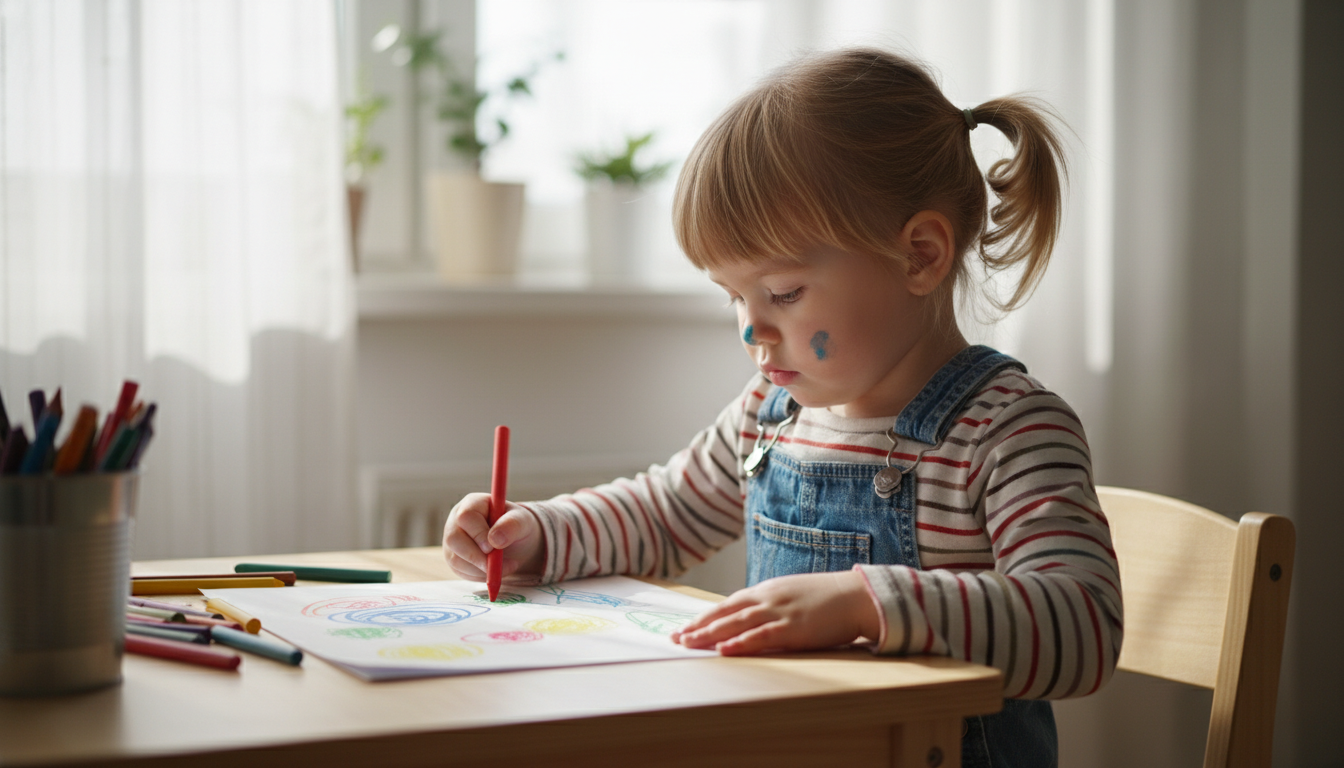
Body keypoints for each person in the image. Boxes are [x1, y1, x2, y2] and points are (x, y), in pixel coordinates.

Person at [443, 47, 1121, 767]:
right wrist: (542, 535)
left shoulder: (1007, 431)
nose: (751, 330)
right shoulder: (772, 411)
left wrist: (867, 603)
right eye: (734, 297)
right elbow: (665, 512)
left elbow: (1082, 627)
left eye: (785, 294)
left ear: (920, 255)